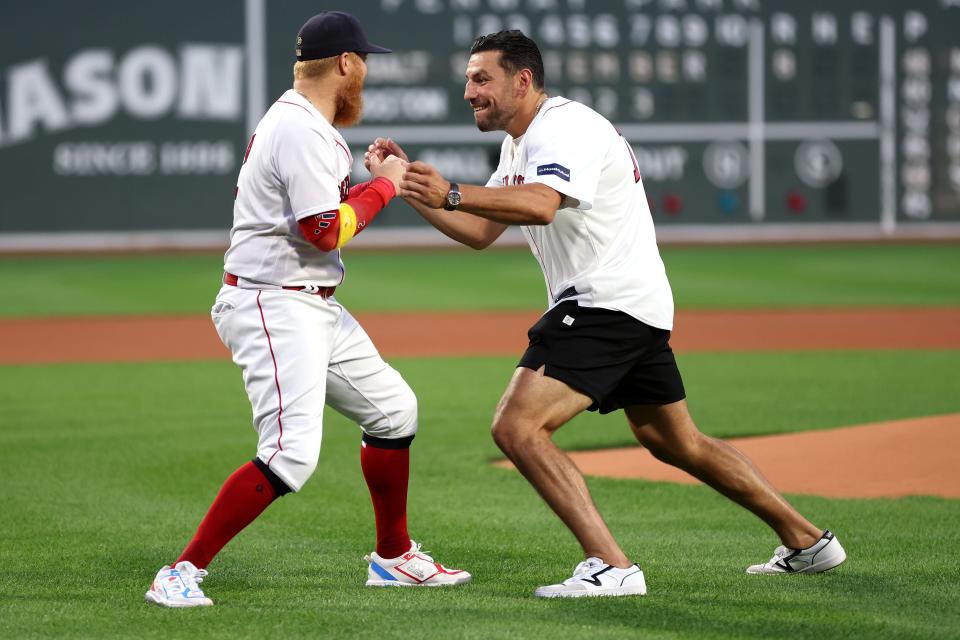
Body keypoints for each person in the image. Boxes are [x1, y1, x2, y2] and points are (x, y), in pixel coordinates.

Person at [369, 30, 845, 598]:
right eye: (469, 78)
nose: (469, 90)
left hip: (604, 303)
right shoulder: (520, 142)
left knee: (517, 427)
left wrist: (450, 191)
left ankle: (611, 566)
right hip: (632, 304)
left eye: (481, 78)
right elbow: (478, 231)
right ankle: (808, 540)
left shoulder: (564, 127)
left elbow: (541, 206)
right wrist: (412, 190)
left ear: (523, 81)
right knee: (676, 441)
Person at [145, 12, 470, 608]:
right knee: (290, 454)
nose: (366, 74)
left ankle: (395, 558)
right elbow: (323, 231)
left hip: (309, 302)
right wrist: (387, 186)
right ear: (346, 63)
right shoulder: (300, 128)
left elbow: (314, 215)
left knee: (395, 411)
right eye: (364, 62)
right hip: (273, 302)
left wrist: (369, 183)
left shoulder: (302, 123)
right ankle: (181, 570)